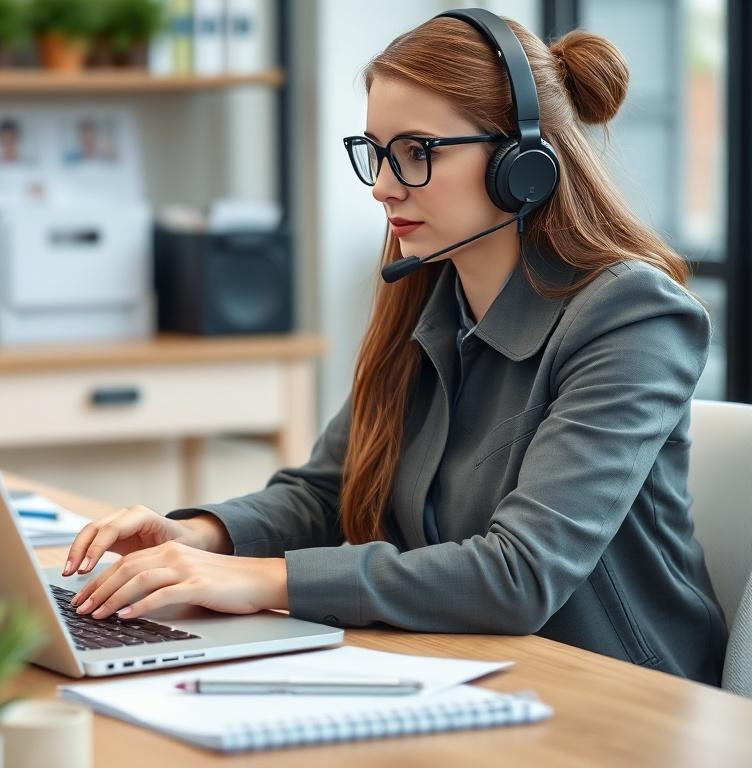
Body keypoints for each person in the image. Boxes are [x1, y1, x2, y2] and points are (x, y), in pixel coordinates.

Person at [61, 11, 728, 684]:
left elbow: (520, 574)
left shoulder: (631, 317)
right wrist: (205, 537)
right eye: (376, 151)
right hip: (462, 666)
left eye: (417, 152)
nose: (382, 185)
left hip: (619, 693)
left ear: (522, 164)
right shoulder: (432, 299)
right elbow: (327, 492)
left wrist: (261, 580)